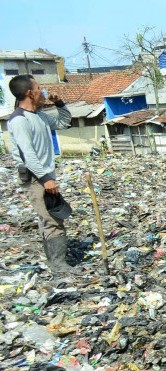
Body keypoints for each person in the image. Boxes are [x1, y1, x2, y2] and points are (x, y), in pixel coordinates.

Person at [7, 74, 75, 274]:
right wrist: (45, 179)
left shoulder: (39, 115)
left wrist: (59, 103)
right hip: (36, 178)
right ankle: (59, 265)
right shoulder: (19, 120)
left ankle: (55, 261)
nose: (42, 91)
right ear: (29, 93)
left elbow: (64, 123)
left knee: (48, 217)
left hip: (45, 176)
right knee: (53, 219)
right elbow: (27, 154)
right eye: (38, 88)